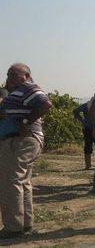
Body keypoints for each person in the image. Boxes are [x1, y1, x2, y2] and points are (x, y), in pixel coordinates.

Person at [0, 63, 52, 239]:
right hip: (18, 140)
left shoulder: (28, 88)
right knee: (22, 182)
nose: (9, 78)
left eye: (14, 74)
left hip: (21, 140)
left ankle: (13, 228)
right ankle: (25, 224)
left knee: (11, 181)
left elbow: (46, 104)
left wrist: (25, 122)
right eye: (8, 74)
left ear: (27, 76)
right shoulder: (15, 93)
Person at [74, 100, 95, 170]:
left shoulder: (86, 105)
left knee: (88, 145)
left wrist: (82, 120)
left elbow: (75, 111)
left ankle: (88, 165)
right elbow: (75, 111)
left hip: (87, 128)